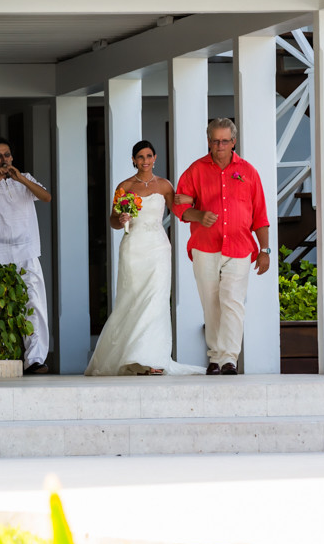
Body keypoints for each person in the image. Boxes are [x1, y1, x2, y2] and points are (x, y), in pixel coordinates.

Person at [85, 140, 205, 376]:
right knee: (132, 299)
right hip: (133, 248)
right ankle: (131, 357)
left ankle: (153, 358)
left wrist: (199, 211)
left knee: (157, 300)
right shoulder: (124, 186)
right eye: (140, 157)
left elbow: (180, 211)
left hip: (158, 247)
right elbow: (112, 220)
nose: (145, 161)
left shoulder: (165, 185)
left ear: (155, 158)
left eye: (149, 156)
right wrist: (119, 220)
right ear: (133, 160)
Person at [172, 118, 271, 375]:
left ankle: (229, 358)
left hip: (239, 247)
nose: (220, 146)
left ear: (234, 142)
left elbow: (260, 214)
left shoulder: (248, 172)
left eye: (225, 141)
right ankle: (215, 358)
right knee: (211, 302)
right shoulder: (195, 171)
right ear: (208, 141)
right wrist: (198, 215)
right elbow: (180, 205)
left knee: (233, 301)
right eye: (215, 141)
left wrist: (265, 250)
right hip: (205, 247)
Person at [0, 137, 52, 375]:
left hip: (27, 251)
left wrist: (21, 180)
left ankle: (35, 359)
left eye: (7, 155)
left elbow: (46, 197)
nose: (4, 160)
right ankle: (1, 355)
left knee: (34, 304)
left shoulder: (24, 178)